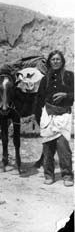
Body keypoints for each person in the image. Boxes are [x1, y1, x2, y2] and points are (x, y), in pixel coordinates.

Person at [37, 50, 73, 187]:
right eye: (53, 59)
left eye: (58, 59)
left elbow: (74, 94)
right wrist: (40, 117)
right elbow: (39, 99)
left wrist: (66, 95)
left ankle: (68, 175)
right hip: (47, 115)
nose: (56, 61)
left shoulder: (70, 76)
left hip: (63, 116)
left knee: (63, 147)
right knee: (48, 148)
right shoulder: (45, 79)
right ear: (49, 62)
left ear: (62, 61)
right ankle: (48, 175)